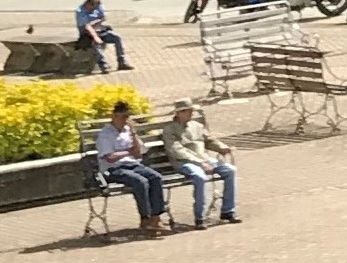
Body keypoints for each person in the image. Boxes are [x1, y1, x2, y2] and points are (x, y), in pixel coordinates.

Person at [162, 100, 239, 228]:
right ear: (180, 113)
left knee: (230, 170)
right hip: (184, 162)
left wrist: (222, 147)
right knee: (199, 177)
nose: (192, 113)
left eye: (192, 110)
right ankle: (200, 217)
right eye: (188, 111)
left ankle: (228, 211)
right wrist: (199, 162)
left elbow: (209, 140)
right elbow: (176, 150)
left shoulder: (197, 126)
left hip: (205, 159)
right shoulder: (169, 130)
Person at [95, 102, 169, 235]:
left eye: (127, 117)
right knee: (140, 181)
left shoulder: (128, 131)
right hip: (112, 169)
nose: (125, 120)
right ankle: (145, 218)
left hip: (133, 164)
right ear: (114, 116)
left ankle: (156, 217)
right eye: (122, 116)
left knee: (156, 177)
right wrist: (128, 152)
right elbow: (110, 157)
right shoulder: (105, 134)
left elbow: (139, 152)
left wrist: (134, 134)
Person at [75, 0, 131, 72]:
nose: (94, 10)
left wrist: (94, 22)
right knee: (96, 44)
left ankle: (122, 62)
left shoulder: (98, 7)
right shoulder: (80, 12)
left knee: (117, 38)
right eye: (92, 8)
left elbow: (103, 18)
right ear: (88, 4)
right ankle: (103, 65)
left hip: (101, 30)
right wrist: (95, 36)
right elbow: (87, 27)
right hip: (87, 33)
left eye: (96, 8)